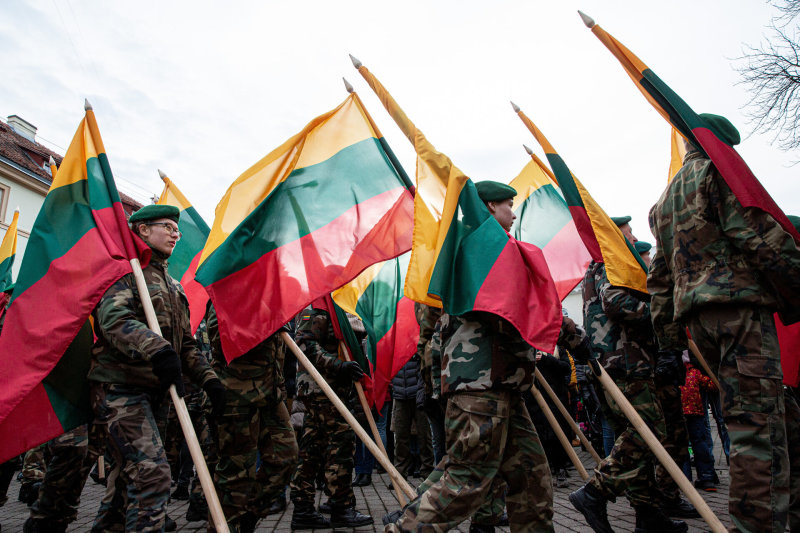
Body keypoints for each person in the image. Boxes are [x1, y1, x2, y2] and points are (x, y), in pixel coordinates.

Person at [648, 113, 800, 533]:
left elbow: (659, 277)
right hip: (740, 312)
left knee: (779, 415)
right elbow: (759, 236)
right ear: (721, 145)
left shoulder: (664, 201)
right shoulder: (719, 174)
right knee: (757, 428)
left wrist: (669, 341)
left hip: (700, 325)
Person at [384, 181, 553, 533]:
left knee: (530, 477)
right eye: (508, 204)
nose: (514, 211)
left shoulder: (483, 246)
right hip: (481, 384)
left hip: (500, 382)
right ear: (490, 207)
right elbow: (505, 308)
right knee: (467, 479)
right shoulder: (480, 249)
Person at [87, 204, 224, 532]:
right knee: (152, 475)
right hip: (121, 388)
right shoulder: (125, 272)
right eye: (168, 226)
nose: (176, 233)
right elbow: (114, 321)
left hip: (156, 393)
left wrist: (209, 380)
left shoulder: (174, 286)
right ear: (143, 230)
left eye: (177, 228)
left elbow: (185, 344)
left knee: (126, 484)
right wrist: (159, 351)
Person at [570, 216, 687, 533]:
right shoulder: (612, 263)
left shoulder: (602, 265)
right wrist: (663, 313)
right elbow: (616, 302)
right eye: (629, 232)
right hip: (625, 363)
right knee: (646, 431)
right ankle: (596, 491)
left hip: (616, 363)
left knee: (639, 439)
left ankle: (647, 516)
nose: (634, 237)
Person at [206, 303, 298, 532]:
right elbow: (219, 337)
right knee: (235, 479)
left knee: (286, 457)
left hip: (270, 397)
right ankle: (227, 525)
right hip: (237, 396)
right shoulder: (226, 285)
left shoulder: (272, 294)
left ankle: (249, 514)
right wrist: (263, 322)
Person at [289, 307, 373, 530]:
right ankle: (341, 507)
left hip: (331, 392)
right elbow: (305, 345)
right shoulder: (315, 305)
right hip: (323, 391)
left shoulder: (333, 306)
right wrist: (339, 365)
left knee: (312, 451)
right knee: (341, 449)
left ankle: (304, 509)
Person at [679, 354, 718, 490]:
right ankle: (707, 476)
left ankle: (684, 479)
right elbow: (711, 385)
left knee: (681, 444)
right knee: (700, 443)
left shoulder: (675, 375)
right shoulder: (695, 372)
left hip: (680, 412)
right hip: (696, 412)